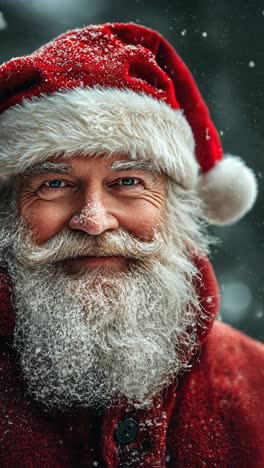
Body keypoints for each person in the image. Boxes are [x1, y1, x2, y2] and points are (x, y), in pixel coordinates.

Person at [0, 22, 263, 467]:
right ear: (8, 212)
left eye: (128, 181)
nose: (94, 220)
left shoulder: (257, 383)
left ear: (176, 210)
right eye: (54, 184)